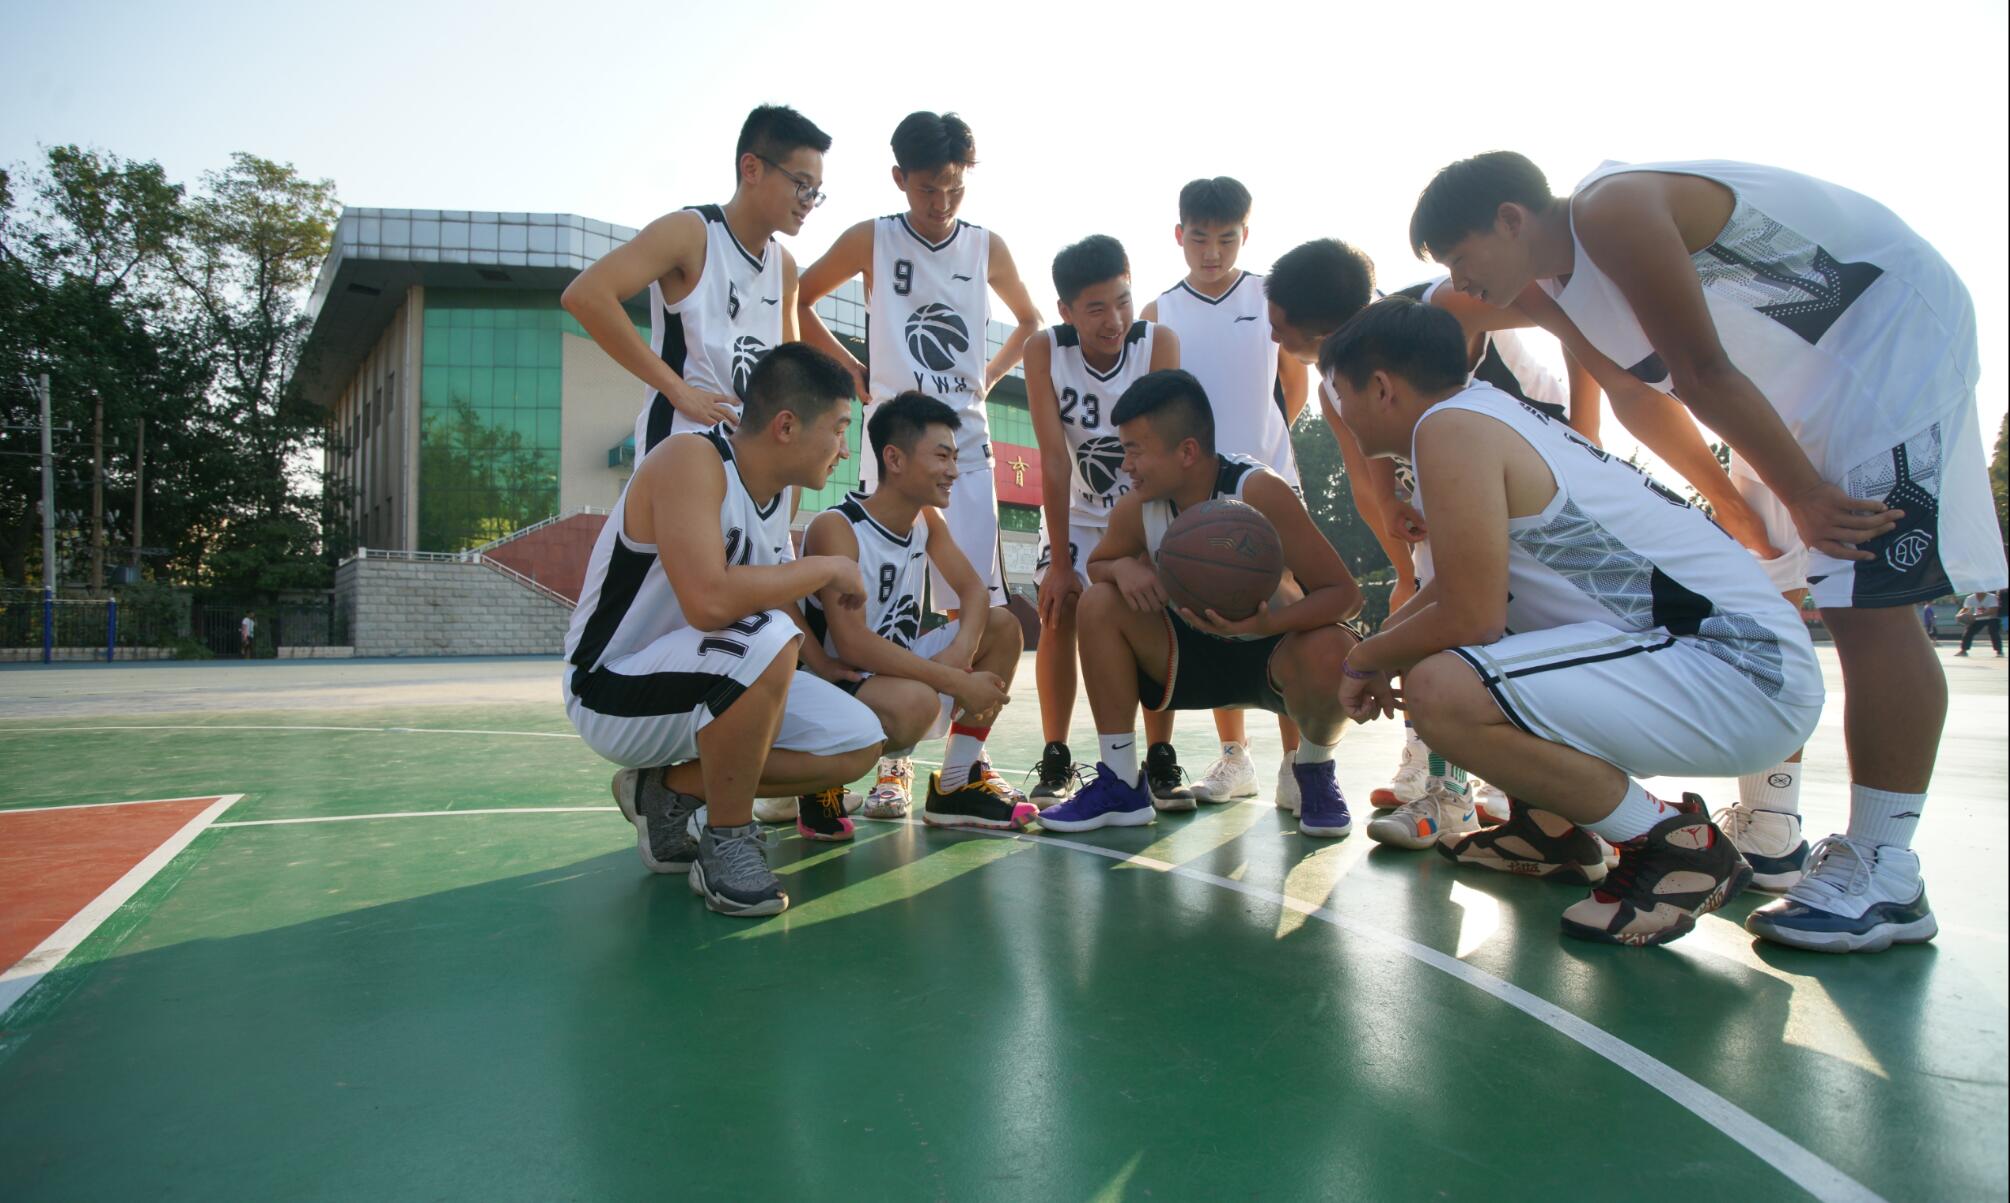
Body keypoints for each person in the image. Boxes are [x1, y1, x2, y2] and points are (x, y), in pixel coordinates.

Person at [1409, 151, 2003, 951]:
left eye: (1461, 257)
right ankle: (1774, 826)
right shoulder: (1547, 287)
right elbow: (1635, 393)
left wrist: (1803, 492)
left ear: (1512, 219)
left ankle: (1884, 866)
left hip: (1885, 340)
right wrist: (1728, 501)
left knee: (1867, 603)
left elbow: (1701, 368)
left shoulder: (1611, 210)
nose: (1461, 282)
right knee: (1779, 574)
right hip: (1793, 387)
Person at [1326, 298, 1824, 945]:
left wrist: (1364, 660)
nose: (1339, 411)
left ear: (1381, 386)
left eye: (1340, 393)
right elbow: (1460, 585)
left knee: (1442, 689)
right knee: (1479, 653)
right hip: (1741, 661)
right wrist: (1380, 649)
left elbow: (1470, 615)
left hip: (1736, 666)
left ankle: (1674, 844)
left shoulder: (1448, 429)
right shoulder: (1485, 414)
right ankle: (1551, 830)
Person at [564, 344, 884, 917]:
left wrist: (825, 664)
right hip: (612, 689)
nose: (844, 449)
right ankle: (727, 842)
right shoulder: (690, 459)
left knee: (857, 740)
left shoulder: (777, 495)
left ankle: (667, 793)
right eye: (839, 429)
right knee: (767, 638)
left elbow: (772, 592)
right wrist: (826, 568)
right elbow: (709, 601)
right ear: (786, 425)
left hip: (708, 678)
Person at [794, 111, 1043, 813]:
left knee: (980, 605)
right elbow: (801, 298)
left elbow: (1030, 321)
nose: (941, 202)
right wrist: (852, 371)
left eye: (954, 189)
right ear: (900, 179)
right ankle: (891, 766)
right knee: (884, 598)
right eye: (929, 189)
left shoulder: (986, 245)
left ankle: (964, 766)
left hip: (966, 443)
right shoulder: (871, 237)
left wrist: (986, 380)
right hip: (897, 442)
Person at [1035, 369, 1367, 837]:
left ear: (1187, 451)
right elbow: (1100, 562)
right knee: (1099, 603)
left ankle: (1313, 770)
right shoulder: (1138, 507)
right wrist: (1122, 568)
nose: (1125, 465)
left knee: (1334, 649)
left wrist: (1268, 623)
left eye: (1135, 450)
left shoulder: (1257, 491)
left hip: (1272, 652)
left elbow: (1345, 596)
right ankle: (1121, 783)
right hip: (1185, 656)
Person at [1142, 176, 1312, 812]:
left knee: (1288, 611)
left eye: (1226, 239)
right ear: (1178, 235)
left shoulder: (1271, 298)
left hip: (1269, 480)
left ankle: (1297, 762)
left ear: (1246, 234)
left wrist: (1261, 449)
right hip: (1199, 490)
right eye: (1199, 238)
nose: (1212, 251)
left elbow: (1292, 386)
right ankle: (1235, 756)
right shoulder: (1158, 313)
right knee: (1217, 602)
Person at [801, 392, 1035, 828]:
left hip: (890, 671)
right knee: (916, 704)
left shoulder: (926, 520)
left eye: (955, 458)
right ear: (894, 459)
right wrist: (953, 680)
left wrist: (962, 650)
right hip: (835, 681)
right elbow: (852, 645)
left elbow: (974, 591)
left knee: (1002, 626)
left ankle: (956, 783)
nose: (953, 471)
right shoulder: (838, 527)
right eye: (942, 456)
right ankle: (820, 778)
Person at [1023, 235, 1186, 808]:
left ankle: (1160, 754)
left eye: (1122, 301)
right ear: (1066, 310)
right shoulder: (1043, 350)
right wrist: (1060, 565)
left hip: (1143, 508)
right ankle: (1057, 753)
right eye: (1096, 308)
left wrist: (1141, 548)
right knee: (1058, 611)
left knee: (1149, 610)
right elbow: (1052, 458)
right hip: (1076, 511)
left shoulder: (1157, 342)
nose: (1114, 319)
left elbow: (1162, 450)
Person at [1955, 590, 2002, 656]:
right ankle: (1963, 650)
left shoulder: (1992, 597)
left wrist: (1975, 616)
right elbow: (1965, 609)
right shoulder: (1970, 598)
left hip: (1992, 617)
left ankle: (1999, 651)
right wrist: (1959, 615)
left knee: (1993, 632)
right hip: (1979, 618)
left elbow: (1992, 611)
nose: (1978, 592)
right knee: (1969, 632)